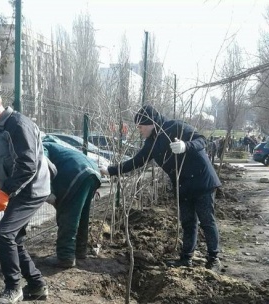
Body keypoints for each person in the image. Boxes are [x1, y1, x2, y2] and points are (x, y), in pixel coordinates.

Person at [99, 104, 222, 271]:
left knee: (207, 221)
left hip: (202, 181)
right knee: (188, 222)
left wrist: (186, 145)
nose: (139, 130)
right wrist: (111, 170)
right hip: (183, 185)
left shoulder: (176, 127)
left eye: (141, 126)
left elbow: (202, 140)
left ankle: (214, 259)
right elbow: (137, 161)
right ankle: (186, 258)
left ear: (151, 123)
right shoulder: (152, 143)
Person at [0, 82, 51, 304]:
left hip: (31, 189)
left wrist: (5, 191)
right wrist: (0, 187)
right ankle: (36, 284)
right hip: (19, 187)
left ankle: (13, 288)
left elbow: (27, 165)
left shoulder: (17, 125)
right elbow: (6, 162)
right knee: (14, 238)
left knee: (4, 235)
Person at [43, 140, 102, 268]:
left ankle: (65, 257)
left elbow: (43, 164)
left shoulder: (42, 145)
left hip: (76, 172)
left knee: (69, 216)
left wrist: (48, 191)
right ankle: (80, 251)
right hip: (93, 172)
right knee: (82, 215)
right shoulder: (59, 145)